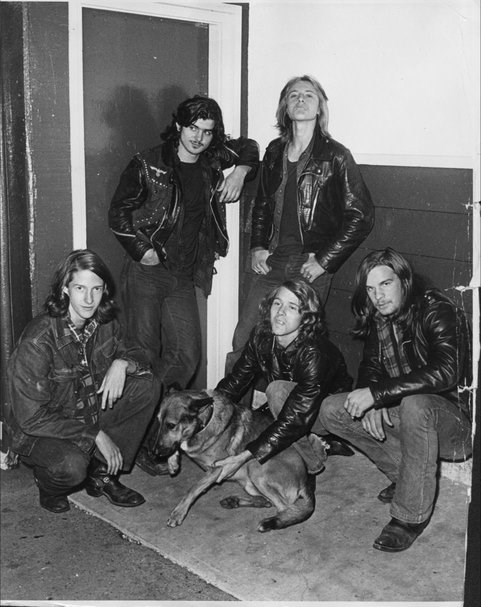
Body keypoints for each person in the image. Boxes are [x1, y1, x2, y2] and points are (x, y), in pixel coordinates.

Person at [109, 95, 259, 475]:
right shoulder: (149, 163)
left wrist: (240, 170)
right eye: (193, 128)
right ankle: (127, 446)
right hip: (147, 269)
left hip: (182, 275)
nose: (199, 138)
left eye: (207, 132)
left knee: (186, 355)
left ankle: (149, 432)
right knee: (142, 354)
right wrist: (142, 248)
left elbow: (249, 148)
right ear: (178, 126)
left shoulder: (211, 159)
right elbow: (118, 212)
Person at [320, 248, 472, 552]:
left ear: (404, 280)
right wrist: (370, 398)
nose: (378, 296)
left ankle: (410, 516)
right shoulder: (381, 316)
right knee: (333, 409)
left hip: (454, 424)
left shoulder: (437, 309)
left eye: (385, 284)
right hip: (406, 410)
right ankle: (407, 478)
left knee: (417, 404)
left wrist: (377, 395)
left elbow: (446, 371)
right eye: (371, 289)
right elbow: (371, 366)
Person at [230, 74, 374, 359]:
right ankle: (229, 405)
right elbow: (261, 205)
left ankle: (287, 402)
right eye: (293, 95)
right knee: (243, 341)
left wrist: (324, 260)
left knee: (299, 350)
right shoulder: (273, 151)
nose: (300, 99)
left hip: (310, 265)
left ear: (319, 107)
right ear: (285, 106)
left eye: (309, 94)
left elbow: (361, 216)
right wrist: (257, 247)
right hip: (273, 261)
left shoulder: (336, 156)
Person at [5, 250, 160, 514]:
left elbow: (137, 353)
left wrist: (122, 363)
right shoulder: (38, 341)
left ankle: (101, 474)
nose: (89, 299)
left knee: (148, 386)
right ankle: (48, 483)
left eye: (96, 289)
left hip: (86, 409)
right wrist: (96, 435)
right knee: (71, 468)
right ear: (65, 288)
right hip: (41, 429)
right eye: (80, 288)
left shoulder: (104, 323)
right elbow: (31, 419)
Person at [213, 279, 353, 479]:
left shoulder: (314, 352)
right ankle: (318, 443)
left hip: (326, 412)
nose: (280, 313)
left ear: (306, 317)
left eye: (292, 307)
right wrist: (208, 407)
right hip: (292, 405)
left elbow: (296, 414)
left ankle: (312, 460)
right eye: (277, 303)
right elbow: (238, 379)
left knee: (276, 393)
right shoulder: (262, 336)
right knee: (263, 420)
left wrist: (248, 454)